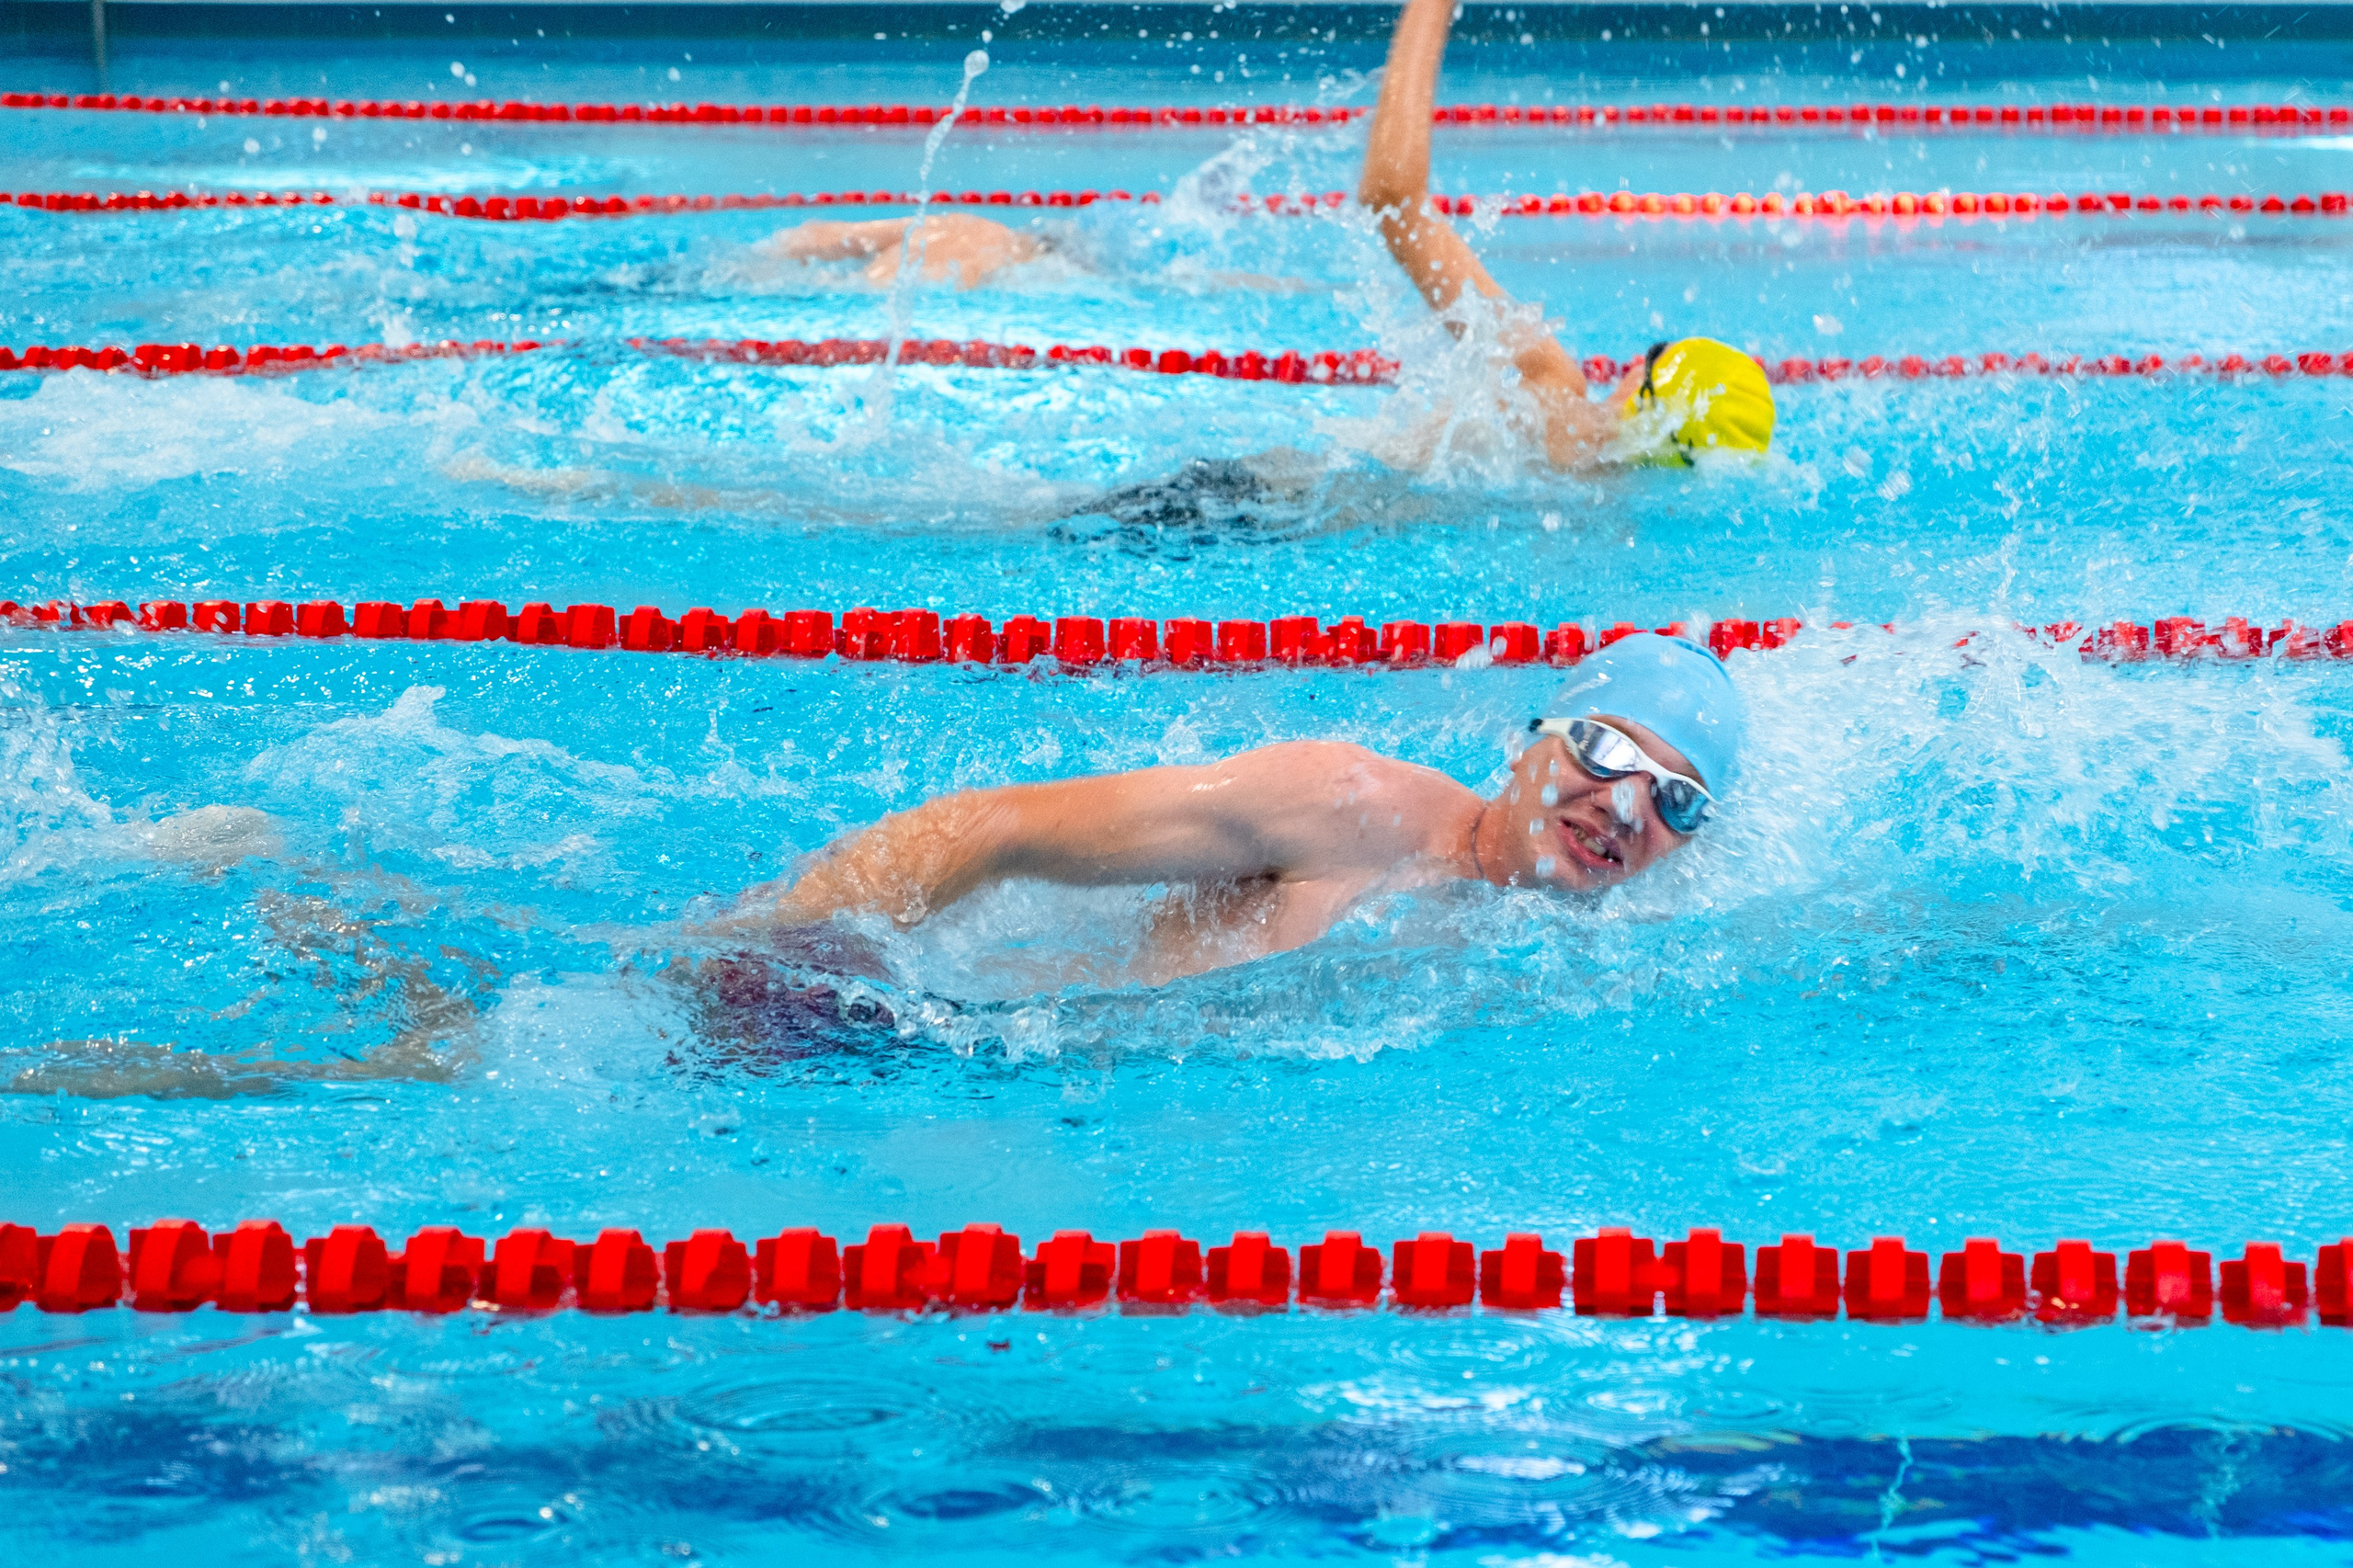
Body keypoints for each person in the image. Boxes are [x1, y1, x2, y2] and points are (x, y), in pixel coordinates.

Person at [708, 632, 1745, 985]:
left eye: (1676, 799)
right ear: (1536, 736)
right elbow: (998, 825)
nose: (1621, 804)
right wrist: (765, 957)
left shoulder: (1600, 957)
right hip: (929, 1055)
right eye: (1604, 747)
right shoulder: (1351, 808)